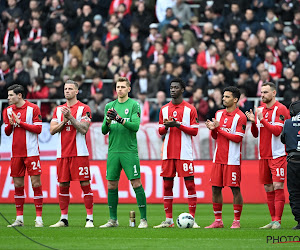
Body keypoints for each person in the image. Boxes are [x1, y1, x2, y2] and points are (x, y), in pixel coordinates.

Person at [100, 77, 148, 228]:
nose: (119, 89)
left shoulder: (134, 105)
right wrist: (108, 121)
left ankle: (143, 220)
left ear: (129, 89)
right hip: (114, 150)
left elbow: (135, 126)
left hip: (129, 151)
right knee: (112, 184)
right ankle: (113, 220)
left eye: (122, 86)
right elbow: (103, 130)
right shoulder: (110, 105)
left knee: (136, 183)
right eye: (117, 86)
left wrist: (119, 119)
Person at [153, 78, 200, 229]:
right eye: (171, 87)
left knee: (190, 185)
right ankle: (168, 220)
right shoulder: (164, 109)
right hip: (167, 153)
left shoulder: (190, 109)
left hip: (184, 153)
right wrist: (167, 126)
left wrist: (178, 124)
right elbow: (160, 130)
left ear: (182, 90)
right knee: (167, 185)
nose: (172, 90)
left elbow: (194, 131)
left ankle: (192, 220)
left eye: (176, 87)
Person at [49, 79, 94, 228]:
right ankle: (63, 219)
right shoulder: (58, 109)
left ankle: (89, 219)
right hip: (62, 153)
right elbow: (52, 130)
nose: (67, 91)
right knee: (63, 184)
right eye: (65, 89)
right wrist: (64, 121)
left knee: (85, 184)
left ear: (76, 91)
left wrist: (71, 118)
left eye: (70, 89)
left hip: (79, 152)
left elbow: (83, 129)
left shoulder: (84, 108)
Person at [245, 82, 290, 229]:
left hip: (277, 155)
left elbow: (277, 131)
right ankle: (272, 220)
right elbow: (255, 134)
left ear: (274, 93)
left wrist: (262, 119)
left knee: (278, 185)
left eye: (265, 92)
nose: (262, 95)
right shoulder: (260, 109)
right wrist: (253, 122)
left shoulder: (281, 109)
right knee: (268, 188)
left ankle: (278, 220)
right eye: (261, 92)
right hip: (263, 155)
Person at [204, 86, 247, 229]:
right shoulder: (218, 114)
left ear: (235, 100)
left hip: (232, 159)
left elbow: (237, 139)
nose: (223, 99)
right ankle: (218, 220)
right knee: (215, 188)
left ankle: (237, 220)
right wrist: (213, 129)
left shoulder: (240, 117)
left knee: (235, 189)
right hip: (218, 158)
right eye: (223, 96)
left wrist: (219, 129)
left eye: (227, 96)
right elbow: (216, 136)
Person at [3, 84, 43, 227]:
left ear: (19, 95)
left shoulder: (33, 108)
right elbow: (7, 132)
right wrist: (12, 125)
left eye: (11, 95)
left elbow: (38, 129)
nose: (8, 98)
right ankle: (19, 218)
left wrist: (21, 123)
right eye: (8, 96)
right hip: (16, 154)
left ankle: (39, 218)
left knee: (36, 184)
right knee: (18, 185)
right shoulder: (7, 111)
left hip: (31, 152)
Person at [281, 100, 300, 230]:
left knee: (294, 193)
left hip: (294, 161)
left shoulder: (287, 123)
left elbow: (283, 139)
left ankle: (299, 221)